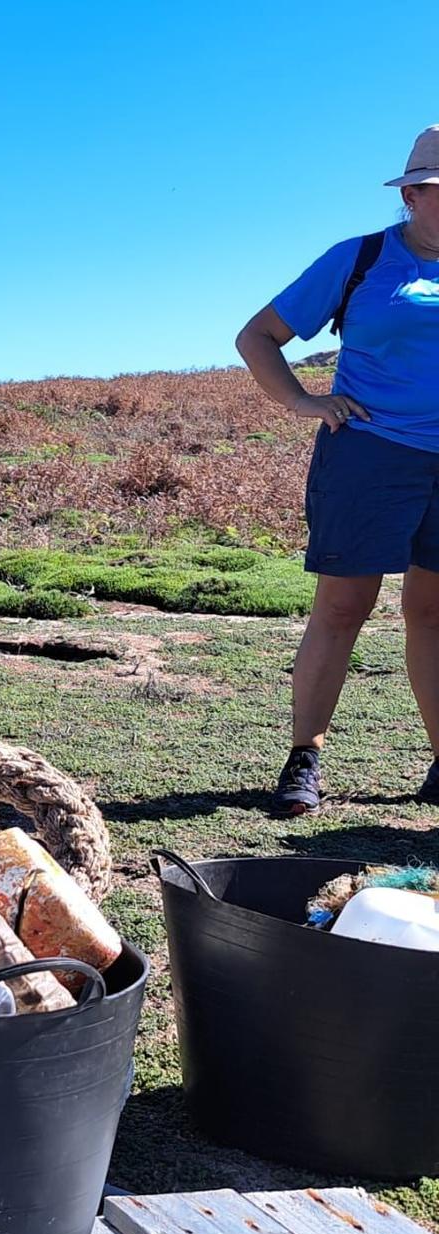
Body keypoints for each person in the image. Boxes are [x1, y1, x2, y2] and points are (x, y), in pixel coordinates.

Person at [238, 126, 439, 816]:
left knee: (434, 612)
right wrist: (300, 399)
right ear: (411, 195)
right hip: (369, 454)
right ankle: (305, 759)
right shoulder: (361, 260)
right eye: (438, 191)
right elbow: (257, 335)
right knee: (344, 607)